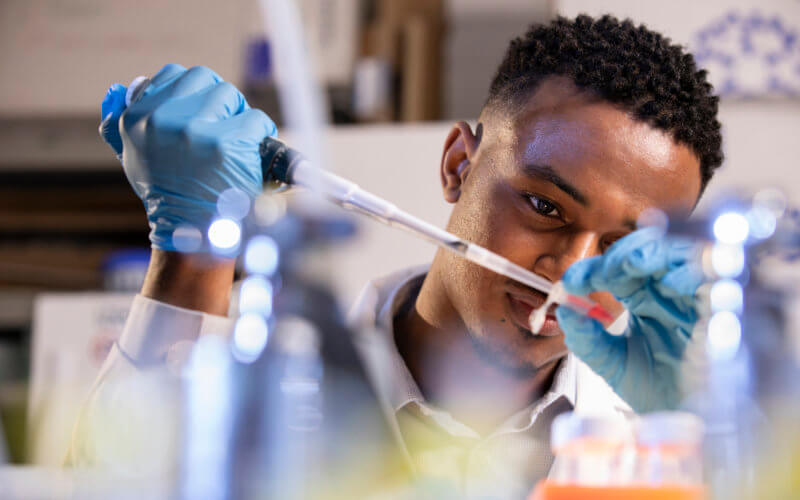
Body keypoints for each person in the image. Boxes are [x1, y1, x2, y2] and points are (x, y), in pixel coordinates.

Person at [71, 14, 722, 497]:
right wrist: (192, 248)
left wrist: (700, 425)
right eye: (545, 207)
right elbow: (116, 485)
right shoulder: (265, 371)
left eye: (626, 245)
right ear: (458, 165)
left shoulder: (661, 435)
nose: (573, 271)